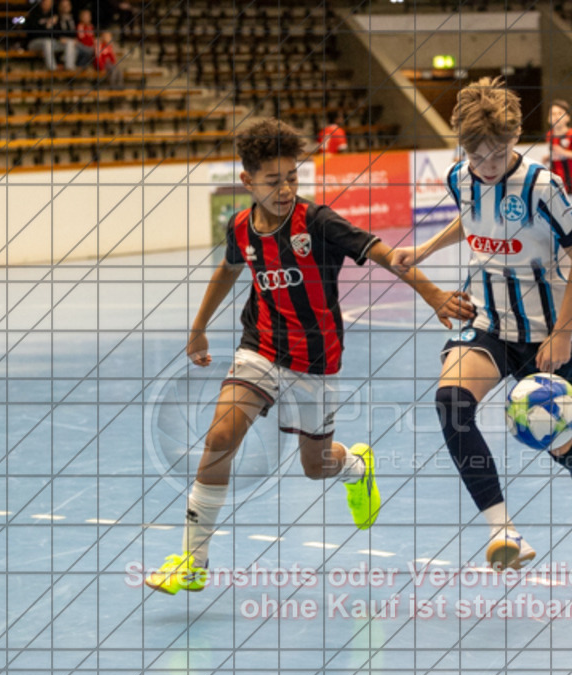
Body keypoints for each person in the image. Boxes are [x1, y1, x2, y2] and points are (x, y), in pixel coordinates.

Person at [144, 118, 474, 595]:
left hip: (315, 362)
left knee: (315, 465)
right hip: (259, 347)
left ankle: (357, 468)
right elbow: (228, 269)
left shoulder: (317, 222)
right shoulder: (241, 227)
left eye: (292, 178)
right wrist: (197, 329)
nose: (284, 189)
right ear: (247, 182)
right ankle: (193, 561)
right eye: (272, 180)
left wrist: (433, 295)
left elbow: (385, 255)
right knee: (220, 436)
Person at [392, 78, 572, 571]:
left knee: (557, 445)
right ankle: (502, 530)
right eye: (478, 157)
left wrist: (562, 332)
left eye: (497, 155)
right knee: (451, 402)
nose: (487, 167)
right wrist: (425, 248)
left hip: (545, 335)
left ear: (513, 141)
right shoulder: (461, 177)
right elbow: (471, 217)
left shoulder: (542, 185)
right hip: (488, 322)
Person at [543, 99, 572, 209]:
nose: (556, 117)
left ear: (567, 117)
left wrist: (564, 152)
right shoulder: (549, 136)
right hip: (555, 186)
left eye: (560, 113)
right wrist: (547, 158)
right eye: (553, 114)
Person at [26, 0, 76, 71]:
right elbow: (32, 32)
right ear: (42, 3)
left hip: (50, 42)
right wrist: (47, 25)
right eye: (46, 2)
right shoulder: (34, 13)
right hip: (34, 42)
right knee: (47, 42)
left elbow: (57, 32)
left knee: (69, 42)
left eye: (50, 3)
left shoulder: (54, 15)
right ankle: (53, 69)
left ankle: (69, 68)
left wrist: (59, 37)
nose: (47, 4)